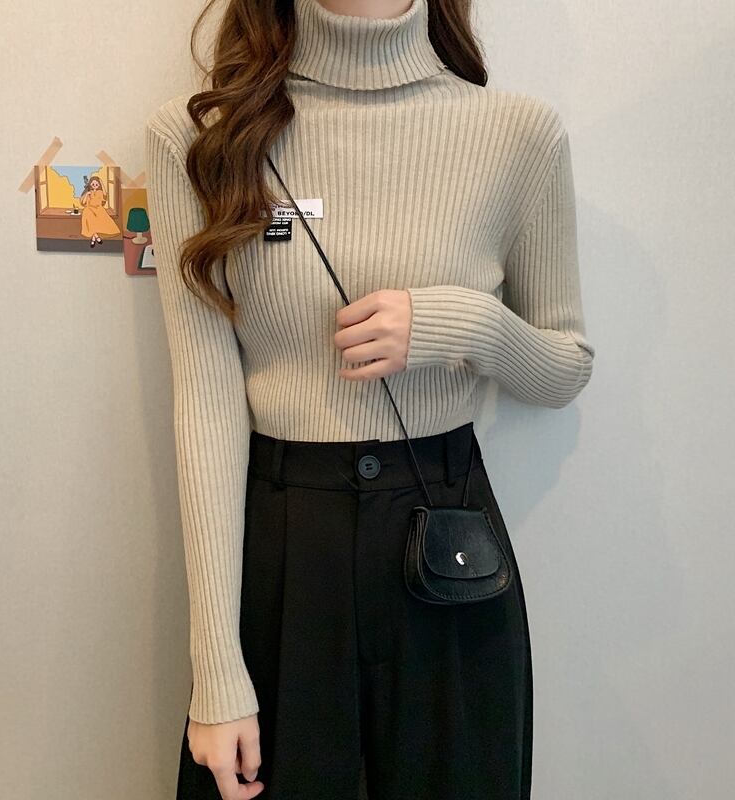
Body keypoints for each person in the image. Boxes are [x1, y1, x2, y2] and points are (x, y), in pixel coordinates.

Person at [145, 0, 595, 798]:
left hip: (445, 546)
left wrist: (462, 323)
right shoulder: (201, 137)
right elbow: (206, 405)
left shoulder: (517, 134)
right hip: (283, 550)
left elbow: (564, 370)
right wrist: (216, 672)